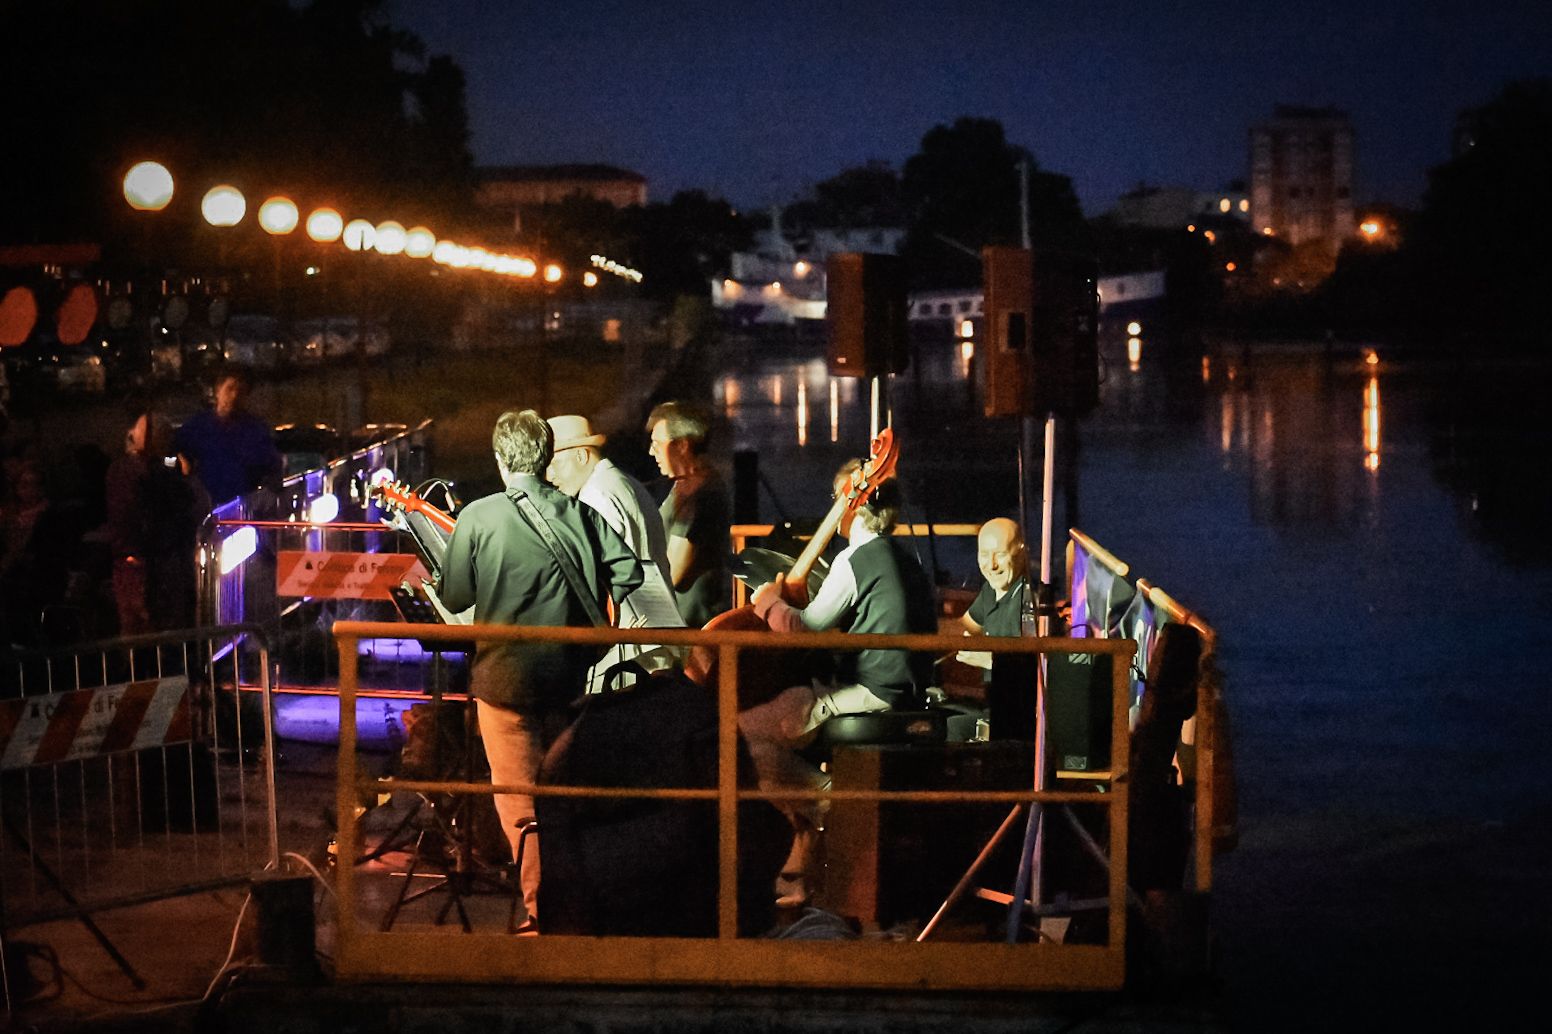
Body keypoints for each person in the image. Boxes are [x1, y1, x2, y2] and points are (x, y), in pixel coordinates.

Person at [437, 409, 643, 931]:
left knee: (518, 802)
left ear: (501, 459)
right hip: (568, 678)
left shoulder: (479, 517)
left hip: (502, 678)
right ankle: (581, 902)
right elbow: (628, 572)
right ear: (546, 457)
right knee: (563, 795)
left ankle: (542, 912)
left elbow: (456, 594)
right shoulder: (580, 514)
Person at [740, 462, 938, 905]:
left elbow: (804, 629)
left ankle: (832, 804)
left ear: (852, 508)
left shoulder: (855, 558)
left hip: (869, 695)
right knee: (783, 721)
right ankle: (811, 866)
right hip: (903, 691)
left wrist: (769, 602)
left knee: (742, 739)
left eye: (837, 502)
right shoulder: (905, 558)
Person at [545, 414, 683, 684]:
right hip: (653, 636)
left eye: (555, 464)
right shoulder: (625, 483)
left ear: (582, 456)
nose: (550, 476)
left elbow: (596, 576)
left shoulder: (595, 497)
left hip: (628, 648)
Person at [106, 411, 207, 634]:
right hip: (149, 562)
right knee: (154, 625)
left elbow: (166, 465)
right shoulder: (138, 470)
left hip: (138, 560)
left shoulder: (135, 467)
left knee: (139, 628)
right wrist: (185, 475)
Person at [645, 400, 729, 628]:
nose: (651, 452)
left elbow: (673, 573)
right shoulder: (689, 485)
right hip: (681, 619)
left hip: (690, 625)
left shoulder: (699, 494)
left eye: (657, 444)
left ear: (681, 446)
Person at [174, 367, 281, 507]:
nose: (234, 395)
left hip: (244, 508)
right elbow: (173, 450)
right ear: (217, 391)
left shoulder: (256, 430)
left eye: (241, 391)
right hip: (206, 508)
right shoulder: (198, 426)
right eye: (229, 389)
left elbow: (272, 468)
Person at [956, 517, 1030, 675]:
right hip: (992, 693)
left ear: (1021, 552)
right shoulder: (990, 590)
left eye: (1001, 554)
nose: (991, 565)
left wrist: (991, 660)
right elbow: (966, 626)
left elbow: (1035, 664)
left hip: (1020, 696)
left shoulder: (1030, 600)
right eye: (984, 554)